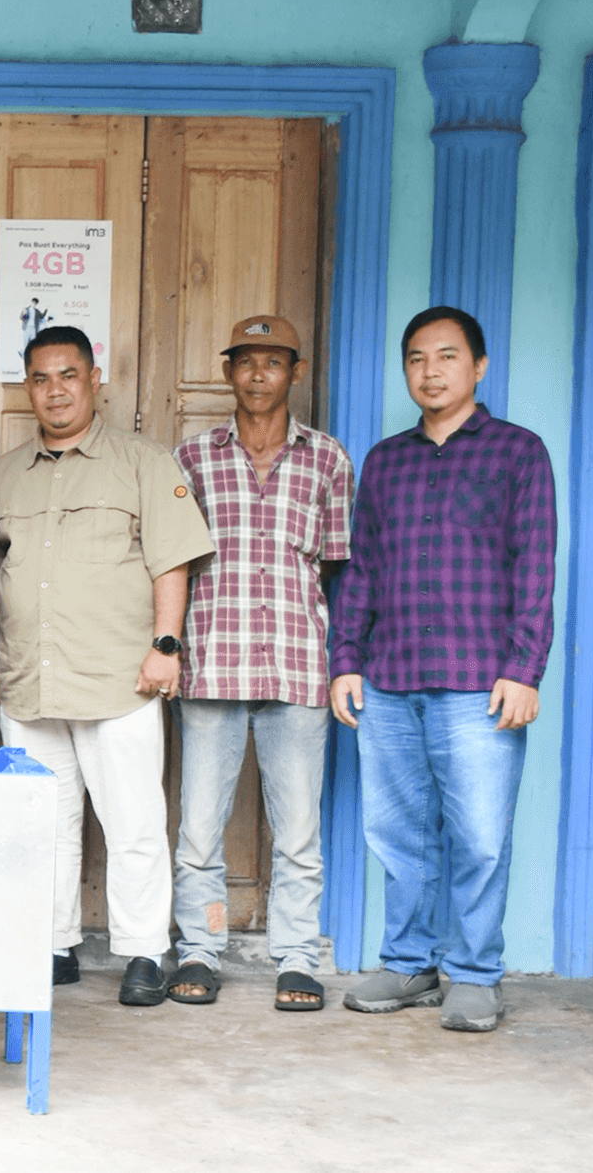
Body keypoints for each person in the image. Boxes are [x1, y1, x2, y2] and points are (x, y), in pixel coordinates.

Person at [0, 325, 215, 1005]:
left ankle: (143, 951)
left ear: (93, 379)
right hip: (30, 678)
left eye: (68, 375)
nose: (55, 390)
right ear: (27, 388)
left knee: (132, 821)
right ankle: (54, 946)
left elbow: (172, 559)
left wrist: (165, 647)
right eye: (41, 378)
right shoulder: (4, 475)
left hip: (118, 677)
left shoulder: (141, 461)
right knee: (42, 823)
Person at [330, 306, 555, 1033]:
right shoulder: (386, 461)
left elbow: (535, 568)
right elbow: (362, 571)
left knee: (480, 835)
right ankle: (407, 964)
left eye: (447, 357)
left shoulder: (518, 452)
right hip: (390, 677)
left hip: (480, 680)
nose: (430, 371)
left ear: (478, 367)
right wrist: (345, 661)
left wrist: (524, 669)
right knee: (399, 834)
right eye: (417, 359)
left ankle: (474, 972)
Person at [166, 315, 353, 1012]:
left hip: (298, 667)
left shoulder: (327, 460)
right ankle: (200, 948)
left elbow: (336, 566)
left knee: (298, 831)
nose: (256, 375)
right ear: (227, 372)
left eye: (272, 363)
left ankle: (297, 958)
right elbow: (171, 563)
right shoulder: (191, 458)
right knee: (198, 828)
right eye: (244, 361)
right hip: (212, 664)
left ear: (293, 374)